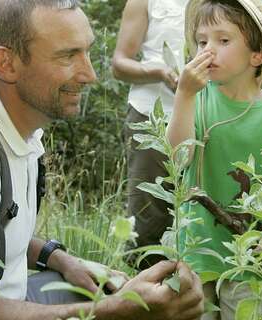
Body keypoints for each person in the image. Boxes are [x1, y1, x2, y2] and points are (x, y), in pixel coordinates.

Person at [0, 1, 203, 319]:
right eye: (67, 55)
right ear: (6, 64)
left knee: (82, 286)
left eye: (87, 52)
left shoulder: (18, 128)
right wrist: (118, 311)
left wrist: (61, 259)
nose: (90, 74)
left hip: (13, 292)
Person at [166, 0, 262, 318]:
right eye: (202, 41)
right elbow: (177, 160)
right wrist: (184, 94)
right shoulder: (197, 99)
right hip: (197, 248)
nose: (208, 50)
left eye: (223, 40)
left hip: (248, 258)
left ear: (257, 55)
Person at [111, 0, 188, 269]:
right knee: (149, 216)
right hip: (151, 117)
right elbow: (119, 63)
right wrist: (158, 72)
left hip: (207, 114)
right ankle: (146, 294)